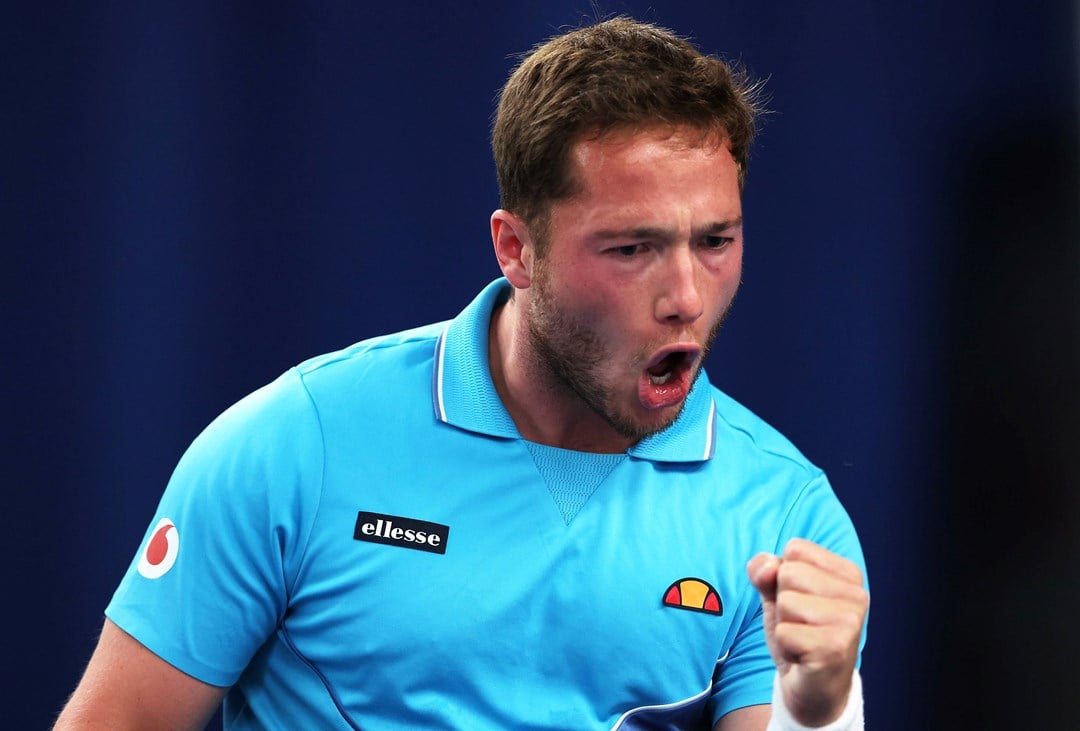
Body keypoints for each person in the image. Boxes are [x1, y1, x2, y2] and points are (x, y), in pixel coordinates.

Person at [56, 16, 868, 731]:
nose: (686, 297)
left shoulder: (789, 522)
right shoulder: (295, 443)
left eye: (715, 241)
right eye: (632, 248)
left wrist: (819, 710)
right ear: (516, 248)